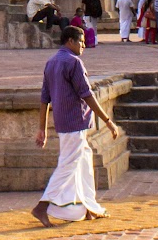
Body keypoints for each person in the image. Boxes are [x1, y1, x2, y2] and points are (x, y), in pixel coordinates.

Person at [31, 26, 115, 227]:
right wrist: (107, 121)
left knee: (84, 163)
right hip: (75, 121)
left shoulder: (52, 62)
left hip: (64, 122)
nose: (83, 45)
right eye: (81, 41)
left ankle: (89, 206)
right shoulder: (73, 62)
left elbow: (45, 98)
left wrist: (42, 128)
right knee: (69, 164)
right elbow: (86, 94)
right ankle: (43, 206)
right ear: (70, 41)